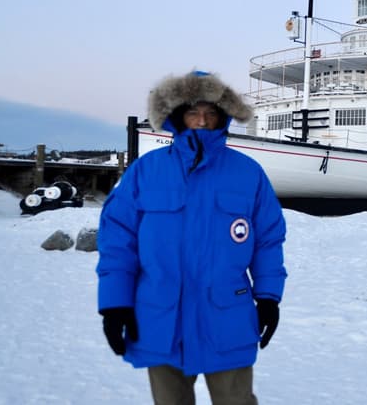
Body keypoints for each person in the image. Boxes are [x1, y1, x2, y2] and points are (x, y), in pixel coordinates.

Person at [96, 70, 287, 405]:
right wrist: (114, 303)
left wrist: (269, 297)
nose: (202, 121)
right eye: (193, 112)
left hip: (226, 319)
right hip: (160, 319)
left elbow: (268, 241)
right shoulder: (145, 171)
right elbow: (117, 243)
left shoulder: (248, 173)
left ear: (223, 118)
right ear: (176, 116)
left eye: (211, 113)